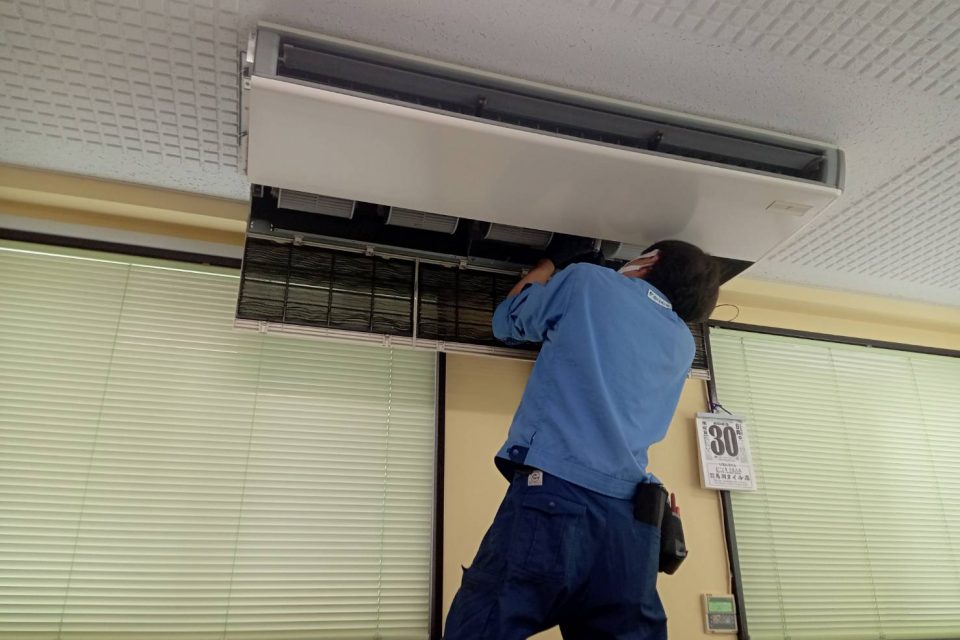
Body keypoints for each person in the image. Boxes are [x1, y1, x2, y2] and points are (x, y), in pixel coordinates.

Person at [443, 239, 721, 640]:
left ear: (650, 260)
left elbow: (508, 320)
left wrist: (548, 264)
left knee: (483, 627)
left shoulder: (590, 281)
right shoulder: (683, 343)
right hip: (631, 526)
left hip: (557, 499)